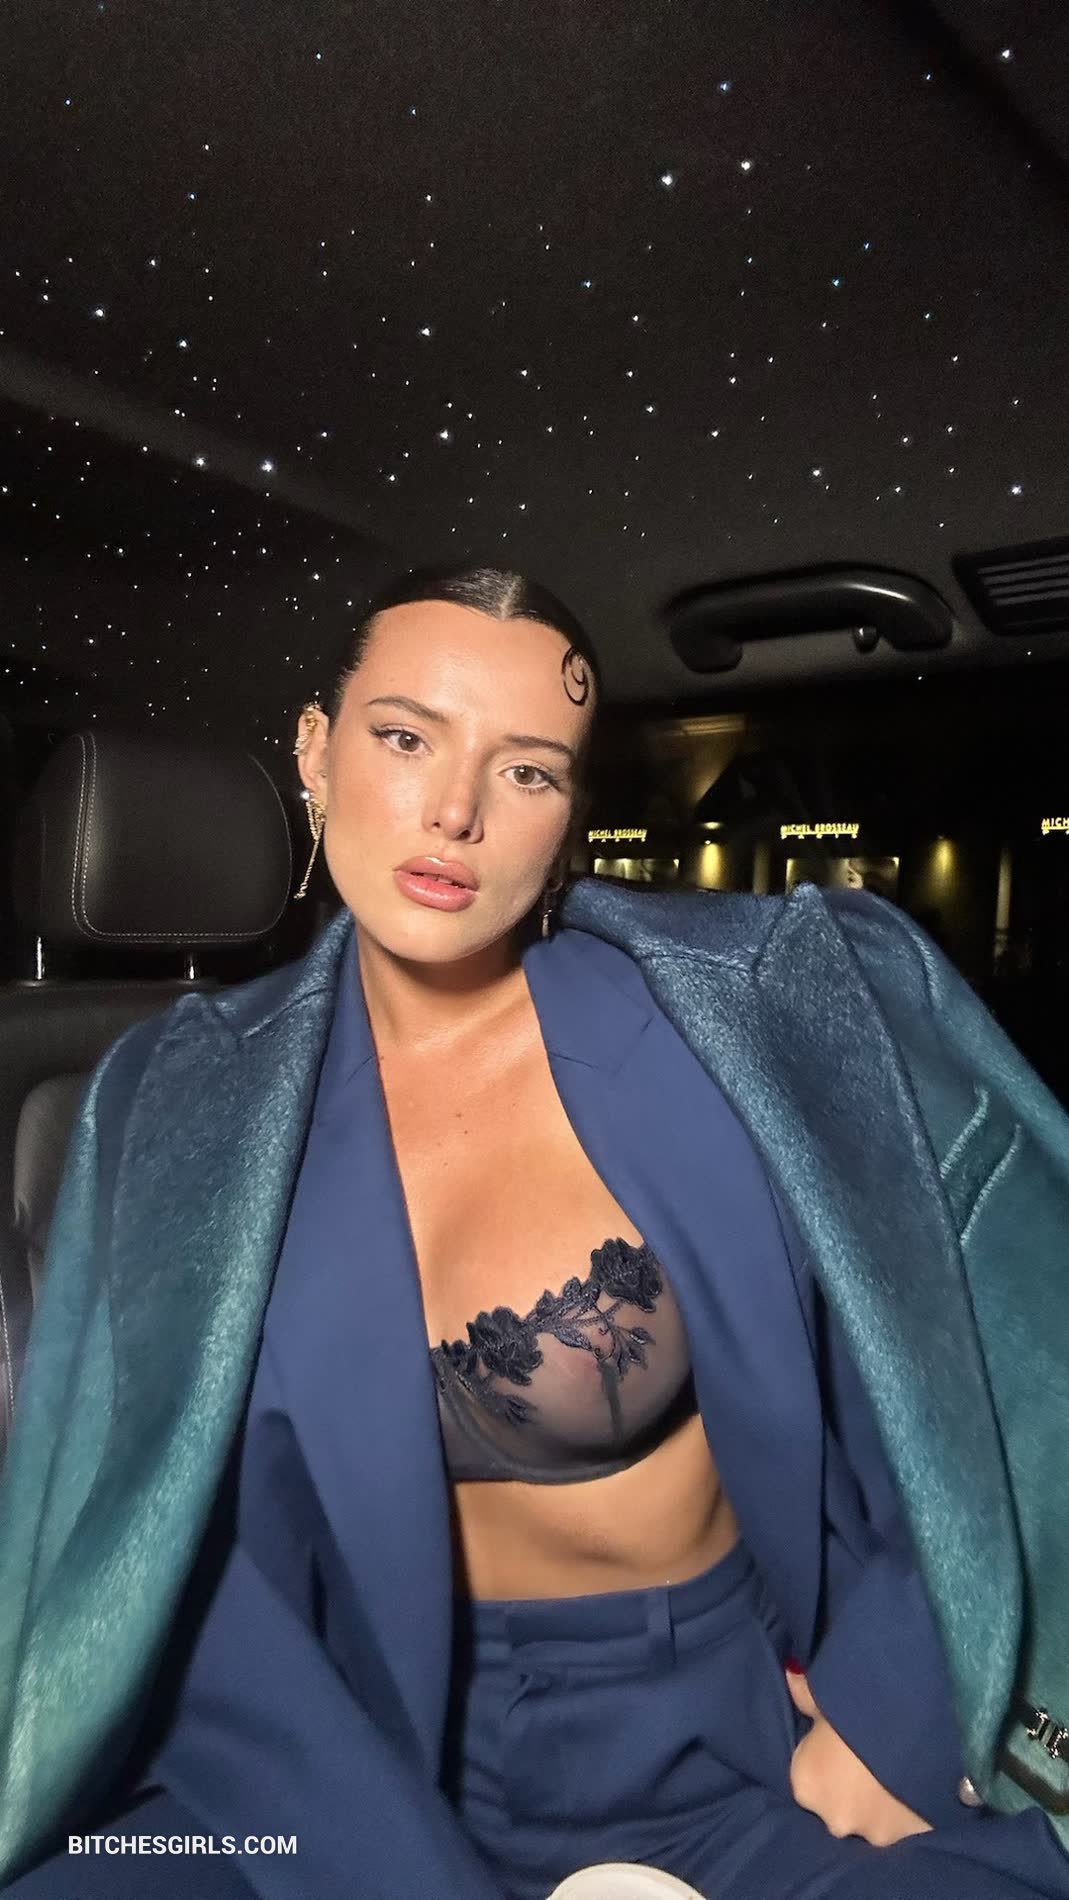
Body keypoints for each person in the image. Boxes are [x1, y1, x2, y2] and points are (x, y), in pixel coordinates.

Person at [1, 563, 1069, 1900]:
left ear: (568, 813)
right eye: (406, 738)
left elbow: (992, 1354)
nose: (455, 811)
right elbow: (153, 1544)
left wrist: (893, 1704)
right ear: (317, 752)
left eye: (524, 772)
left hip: (725, 1751)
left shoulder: (746, 1019)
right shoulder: (174, 1105)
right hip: (326, 1754)